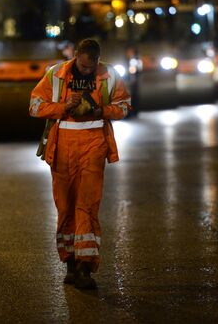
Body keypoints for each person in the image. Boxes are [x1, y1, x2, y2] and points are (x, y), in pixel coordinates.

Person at [28, 39, 131, 289]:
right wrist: (64, 107)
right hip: (63, 146)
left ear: (98, 59)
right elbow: (35, 106)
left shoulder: (109, 74)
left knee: (87, 204)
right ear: (76, 56)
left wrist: (100, 111)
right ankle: (70, 264)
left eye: (91, 67)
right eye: (83, 66)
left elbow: (124, 105)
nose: (86, 71)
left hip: (93, 145)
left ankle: (85, 267)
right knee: (65, 207)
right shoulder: (56, 75)